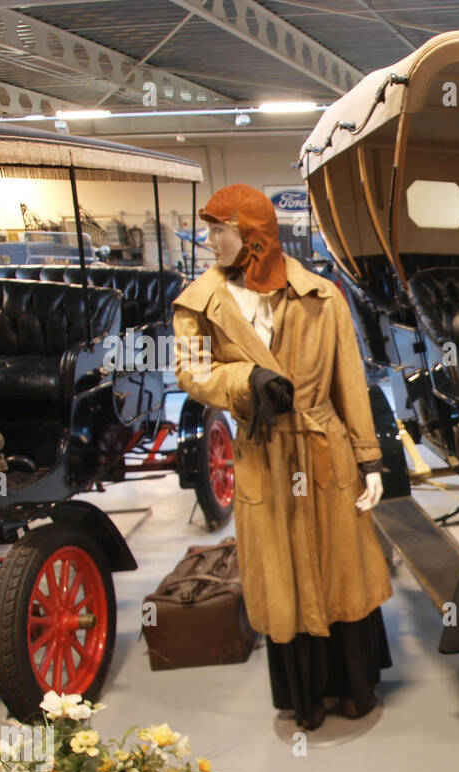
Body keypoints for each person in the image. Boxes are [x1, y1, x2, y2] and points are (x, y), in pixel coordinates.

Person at [172, 184, 392, 731]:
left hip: (325, 452)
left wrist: (369, 459)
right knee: (281, 577)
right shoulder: (198, 303)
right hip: (262, 455)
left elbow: (351, 383)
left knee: (344, 569)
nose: (210, 241)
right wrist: (245, 379)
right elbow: (191, 373)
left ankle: (356, 689)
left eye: (218, 230)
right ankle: (306, 698)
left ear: (251, 233)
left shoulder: (320, 295)